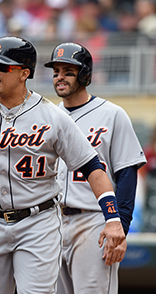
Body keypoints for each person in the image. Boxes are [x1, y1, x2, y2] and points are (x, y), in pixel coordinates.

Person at [0, 35, 126, 293]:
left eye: (3, 66)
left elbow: (92, 167)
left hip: (37, 223)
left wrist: (112, 218)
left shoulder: (51, 116)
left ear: (24, 73)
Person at [43, 42, 147, 294]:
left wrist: (119, 226)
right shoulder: (48, 116)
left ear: (84, 74)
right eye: (56, 72)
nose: (60, 77)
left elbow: (126, 174)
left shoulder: (112, 114)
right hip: (52, 221)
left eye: (68, 71)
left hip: (94, 221)